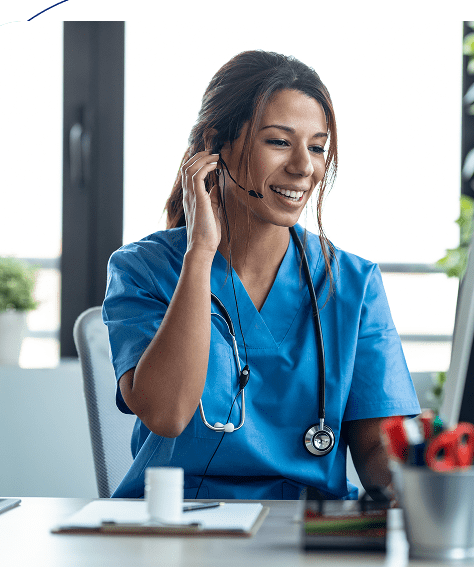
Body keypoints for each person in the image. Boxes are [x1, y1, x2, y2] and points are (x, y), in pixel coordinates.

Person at [103, 50, 420, 500]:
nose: (303, 168)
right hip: (180, 530)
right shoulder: (144, 269)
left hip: (308, 537)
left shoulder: (353, 282)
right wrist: (200, 254)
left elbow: (377, 447)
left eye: (316, 147)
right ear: (215, 146)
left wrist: (418, 483)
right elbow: (168, 414)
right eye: (278, 142)